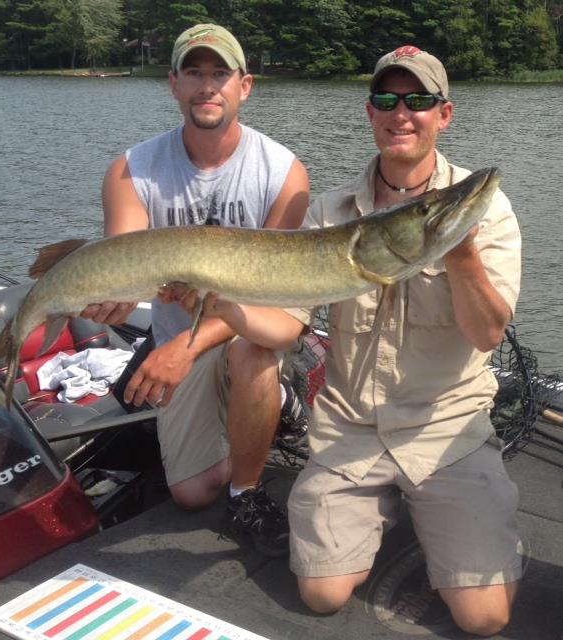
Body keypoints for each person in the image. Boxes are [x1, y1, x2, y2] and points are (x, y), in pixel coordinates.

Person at [188, 45, 523, 636]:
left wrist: (458, 248)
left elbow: (486, 332)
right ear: (370, 113)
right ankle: (397, 511)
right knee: (321, 595)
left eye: (418, 100)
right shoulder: (331, 214)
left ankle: (456, 519)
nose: (402, 113)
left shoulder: (485, 213)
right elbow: (286, 326)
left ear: (443, 114)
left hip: (446, 429)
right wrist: (220, 303)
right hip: (351, 429)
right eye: (387, 100)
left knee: (485, 618)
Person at [81, 23, 310, 557]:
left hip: (242, 332)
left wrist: (180, 350)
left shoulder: (284, 173)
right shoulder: (131, 170)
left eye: (220, 74)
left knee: (253, 351)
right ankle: (256, 420)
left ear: (244, 86)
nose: (208, 85)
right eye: (195, 73)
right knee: (189, 492)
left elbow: (274, 301)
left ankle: (249, 487)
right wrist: (110, 295)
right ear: (174, 85)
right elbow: (126, 264)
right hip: (175, 341)